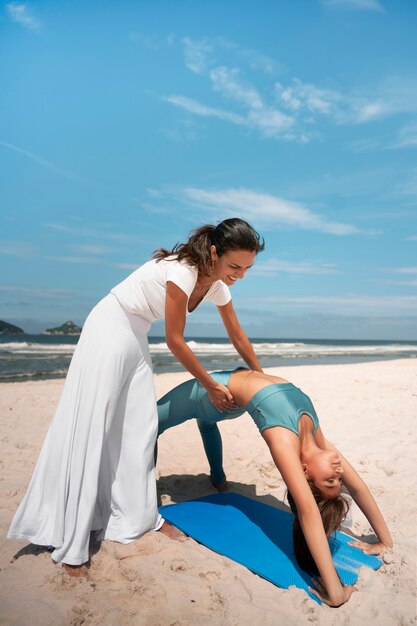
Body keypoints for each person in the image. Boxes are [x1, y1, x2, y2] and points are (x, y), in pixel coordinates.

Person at [8, 218, 265, 576]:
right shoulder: (183, 271)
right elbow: (175, 340)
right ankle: (74, 544)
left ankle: (136, 518)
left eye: (247, 268)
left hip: (135, 333)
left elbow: (237, 334)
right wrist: (210, 384)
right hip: (110, 327)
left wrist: (263, 376)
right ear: (213, 252)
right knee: (96, 425)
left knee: (140, 426)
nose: (240, 274)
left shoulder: (218, 285)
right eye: (234, 266)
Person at [156, 367, 393, 607]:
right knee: (204, 425)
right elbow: (358, 488)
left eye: (330, 480)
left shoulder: (283, 441)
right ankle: (217, 478)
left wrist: (336, 592)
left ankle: (146, 506)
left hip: (215, 391)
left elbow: (308, 510)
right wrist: (385, 542)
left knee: (151, 425)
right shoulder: (317, 441)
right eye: (337, 481)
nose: (339, 473)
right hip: (232, 382)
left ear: (305, 473)